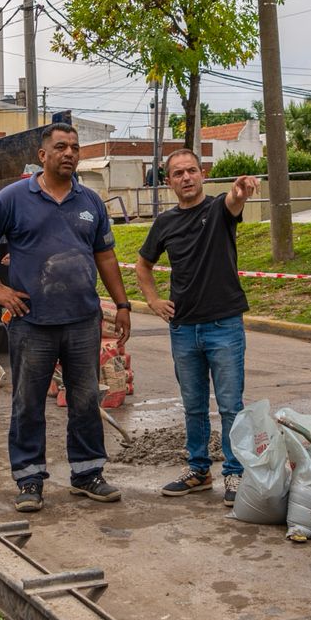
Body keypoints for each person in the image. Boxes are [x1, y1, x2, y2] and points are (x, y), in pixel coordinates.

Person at [0, 123, 133, 512]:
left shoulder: (90, 202)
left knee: (85, 399)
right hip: (31, 322)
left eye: (75, 147)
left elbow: (105, 256)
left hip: (82, 321)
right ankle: (29, 479)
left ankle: (88, 474)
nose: (69, 153)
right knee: (28, 401)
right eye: (60, 147)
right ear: (43, 155)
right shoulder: (14, 198)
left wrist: (122, 305)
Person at [134, 150, 257, 505]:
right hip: (184, 328)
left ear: (202, 174)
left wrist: (240, 192)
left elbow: (233, 201)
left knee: (231, 405)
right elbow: (143, 266)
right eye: (178, 173)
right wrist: (153, 301)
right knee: (193, 405)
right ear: (168, 181)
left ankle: (234, 473)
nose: (186, 177)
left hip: (224, 325)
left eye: (191, 170)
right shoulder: (165, 223)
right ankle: (199, 470)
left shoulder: (218, 209)